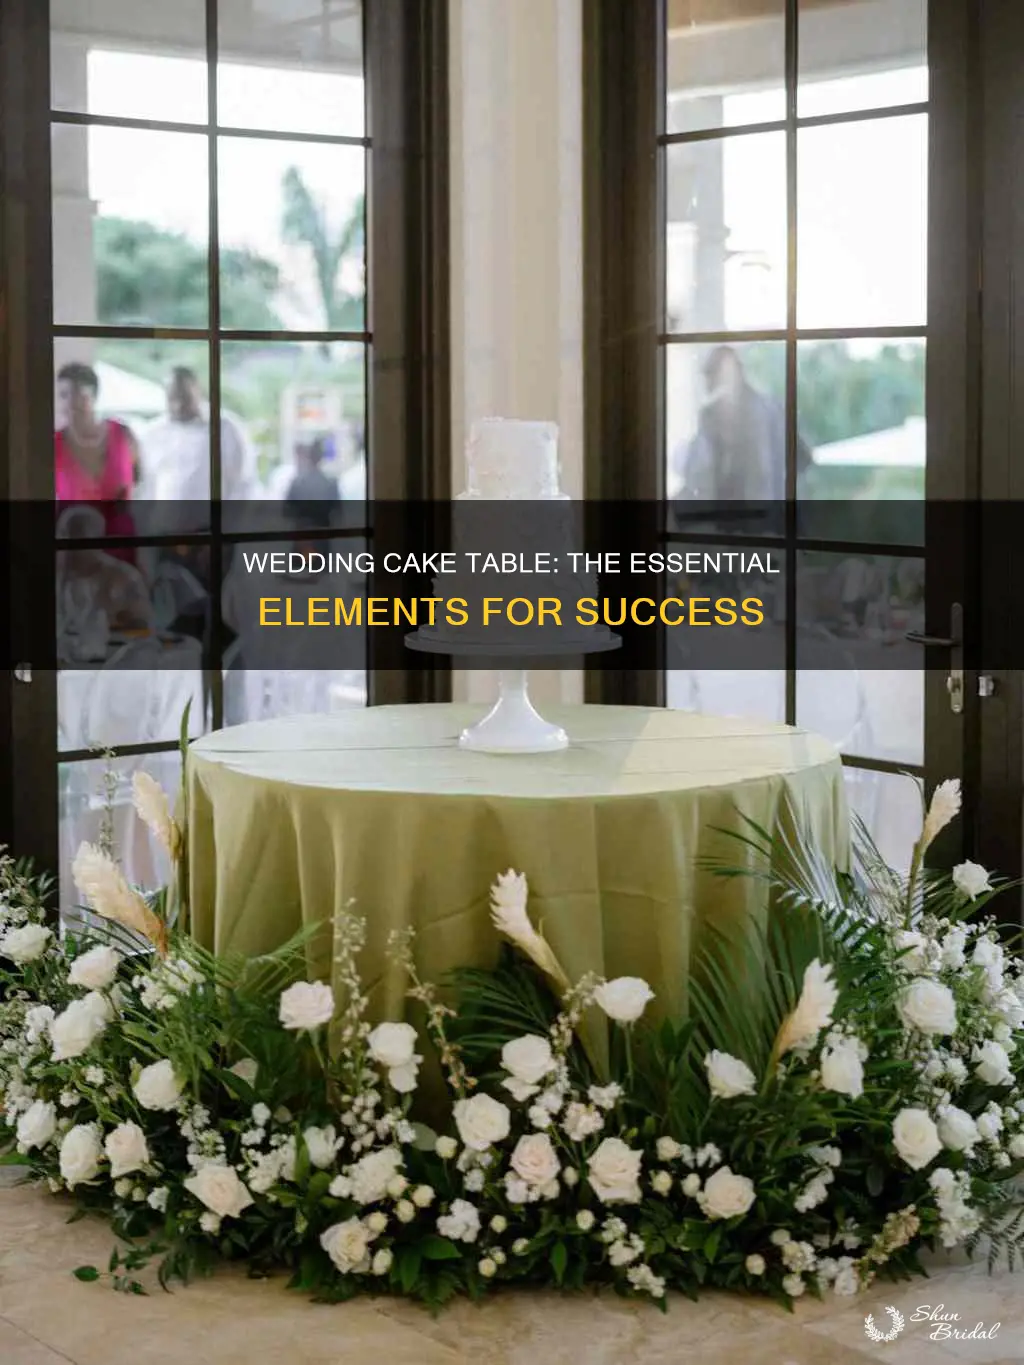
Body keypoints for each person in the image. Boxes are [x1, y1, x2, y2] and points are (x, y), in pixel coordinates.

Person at [673, 346, 810, 501]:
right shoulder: (711, 417)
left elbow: (802, 458)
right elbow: (696, 475)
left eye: (718, 377)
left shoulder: (771, 414)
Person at [138, 367, 257, 507]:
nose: (178, 406)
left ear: (198, 392)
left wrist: (230, 524)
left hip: (212, 523)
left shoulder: (226, 429)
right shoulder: (153, 433)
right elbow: (146, 485)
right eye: (172, 399)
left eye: (184, 398)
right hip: (164, 524)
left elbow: (243, 483)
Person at [54, 362, 138, 541]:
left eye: (77, 393)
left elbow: (142, 484)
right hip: (75, 545)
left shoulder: (122, 434)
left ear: (94, 395)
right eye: (63, 395)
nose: (70, 402)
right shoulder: (54, 444)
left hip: (122, 540)